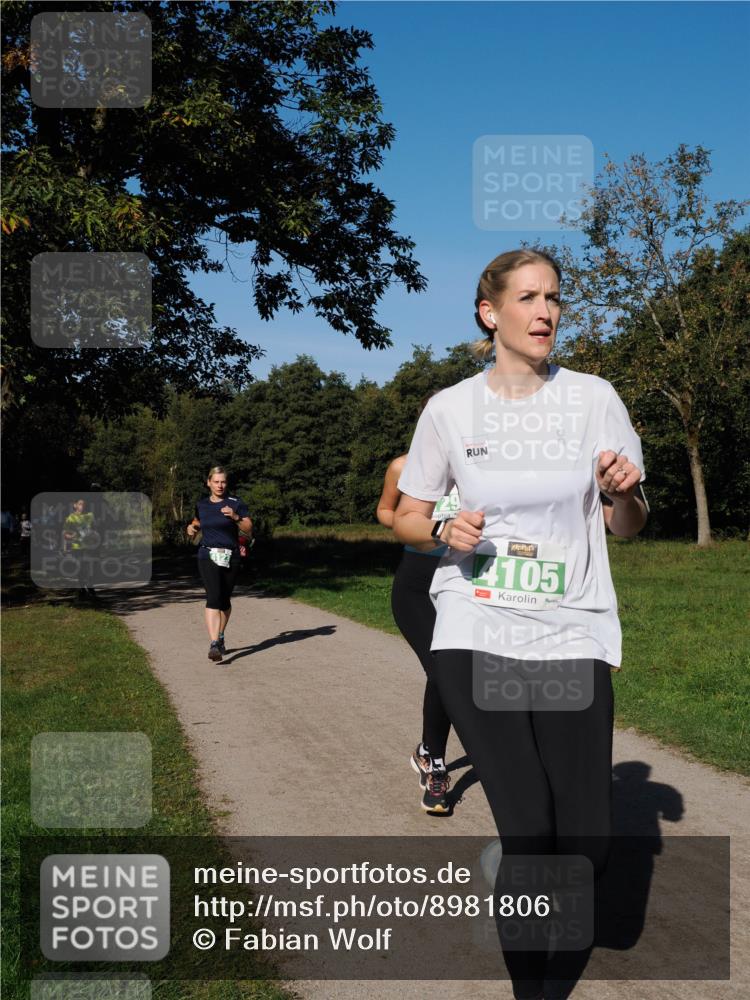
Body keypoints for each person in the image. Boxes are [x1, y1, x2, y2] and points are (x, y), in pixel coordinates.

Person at [393, 249, 648, 999]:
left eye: (555, 299)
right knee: (530, 832)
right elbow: (408, 515)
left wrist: (622, 492)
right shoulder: (449, 409)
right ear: (489, 312)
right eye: (529, 298)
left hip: (572, 626)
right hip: (479, 626)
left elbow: (627, 525)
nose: (545, 312)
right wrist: (444, 532)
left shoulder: (596, 399)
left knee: (589, 847)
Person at [378, 448, 459, 814]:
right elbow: (385, 511)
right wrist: (412, 522)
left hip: (462, 582)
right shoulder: (403, 466)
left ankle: (427, 750)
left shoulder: (477, 463)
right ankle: (434, 762)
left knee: (456, 671)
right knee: (443, 669)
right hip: (416, 583)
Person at [187, 466, 252, 663]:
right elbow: (196, 523)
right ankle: (214, 643)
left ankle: (221, 635)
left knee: (224, 600)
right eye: (216, 481)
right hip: (207, 554)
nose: (220, 485)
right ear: (208, 483)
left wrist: (235, 517)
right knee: (213, 597)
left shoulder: (236, 503)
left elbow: (248, 528)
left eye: (223, 481)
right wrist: (190, 529)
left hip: (231, 556)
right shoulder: (202, 504)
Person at [63, 498, 98, 600]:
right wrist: (72, 538)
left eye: (84, 504)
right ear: (75, 505)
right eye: (80, 504)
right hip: (77, 547)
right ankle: (82, 589)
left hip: (89, 546)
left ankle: (90, 587)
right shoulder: (71, 518)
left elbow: (96, 529)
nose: (82, 506)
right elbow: (65, 534)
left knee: (89, 567)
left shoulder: (90, 515)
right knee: (81, 568)